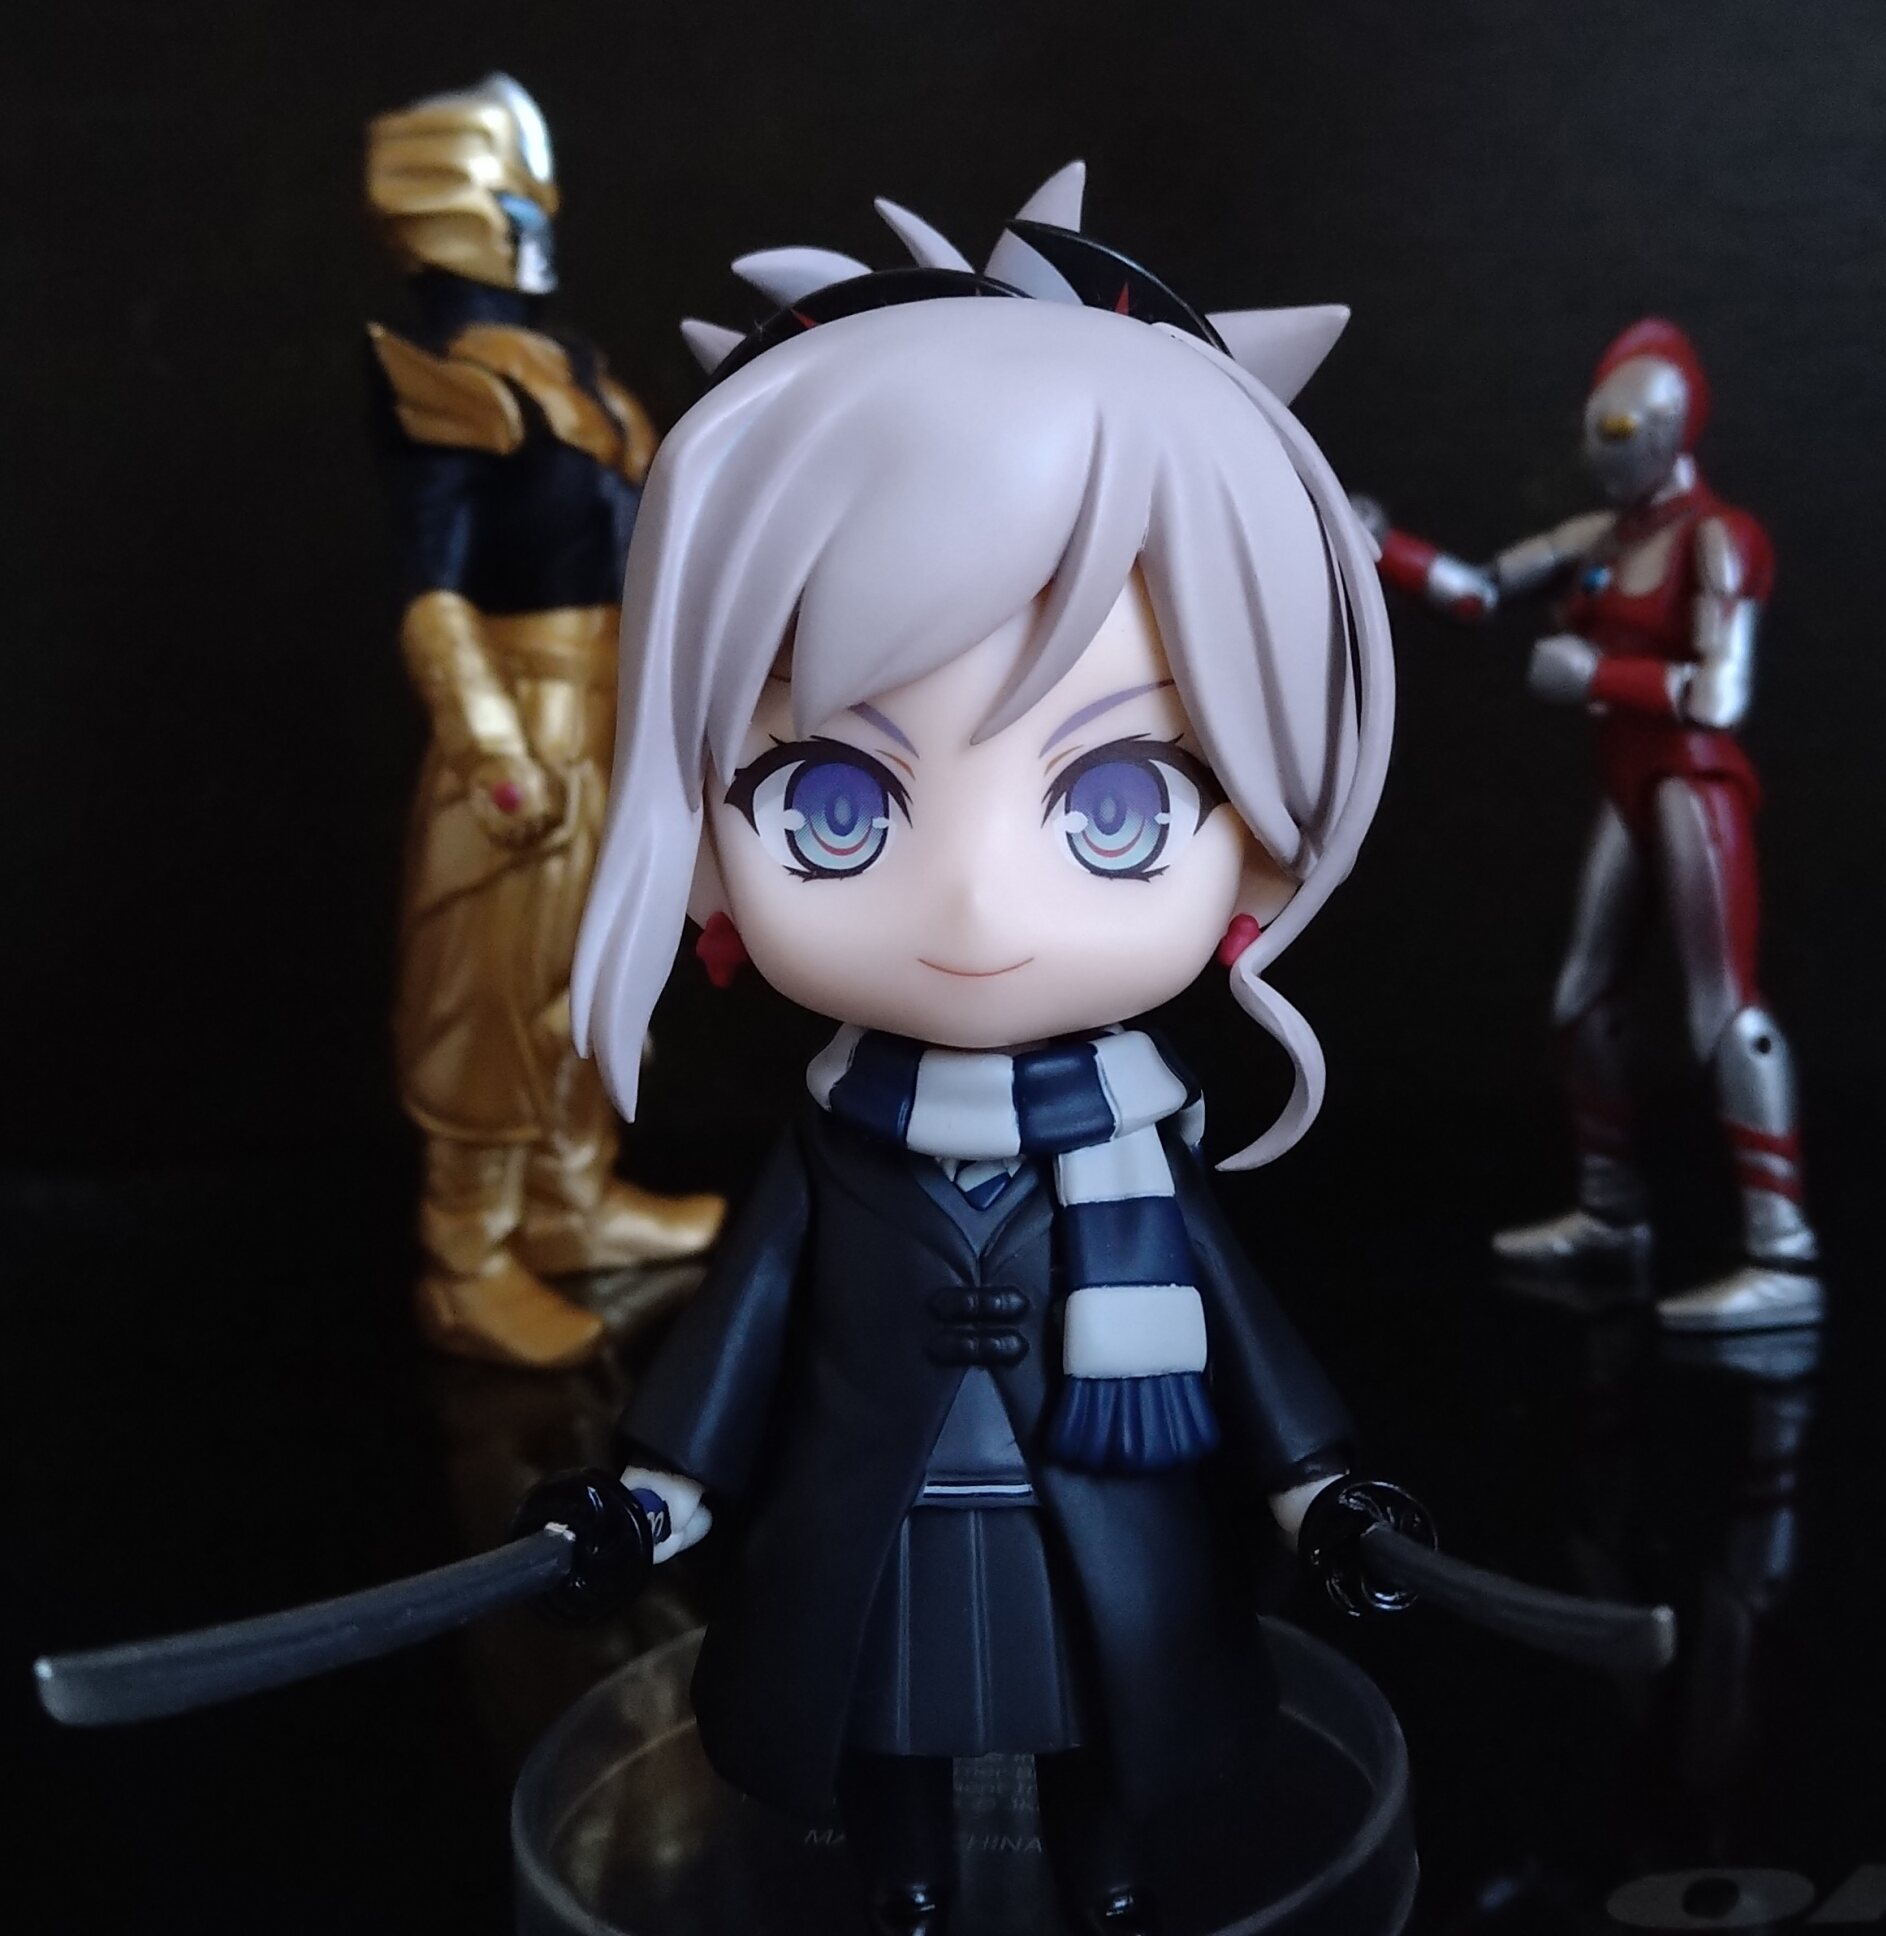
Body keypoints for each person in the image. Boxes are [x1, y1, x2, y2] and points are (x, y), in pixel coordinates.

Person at [571, 165, 1397, 1934]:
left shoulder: (1136, 1137)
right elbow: (739, 1331)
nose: (970, 900)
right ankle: (910, 1887)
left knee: (1110, 1734)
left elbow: (1242, 1335)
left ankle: (1107, 1881)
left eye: (1118, 802)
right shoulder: (837, 1138)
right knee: (885, 1752)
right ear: (701, 826)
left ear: (1259, 840)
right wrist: (652, 1494)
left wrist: (1325, 1493)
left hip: (1104, 1525)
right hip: (868, 1527)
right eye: (835, 801)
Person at [364, 75, 723, 1370]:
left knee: (592, 976)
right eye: (516, 203)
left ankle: (572, 1205)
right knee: (492, 989)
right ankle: (466, 1259)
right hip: (524, 722)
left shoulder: (562, 364)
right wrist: (491, 748)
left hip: (613, 708)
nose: (537, 226)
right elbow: (433, 591)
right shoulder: (444, 378)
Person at [1370, 321, 1820, 1333]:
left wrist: (1597, 675)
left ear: (1668, 431)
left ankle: (1782, 1251)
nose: (1601, 450)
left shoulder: (1718, 539)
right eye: (1594, 427)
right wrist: (1380, 545)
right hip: (1628, 779)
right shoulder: (1602, 536)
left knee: (1722, 1008)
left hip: (1690, 781)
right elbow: (1479, 592)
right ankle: (1611, 1212)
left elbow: (1720, 693)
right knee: (1581, 999)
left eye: (1620, 431)